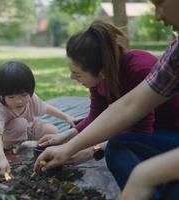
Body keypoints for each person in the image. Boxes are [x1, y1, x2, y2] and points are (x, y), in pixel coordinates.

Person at [34, 0, 179, 199]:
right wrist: (67, 140)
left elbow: (139, 128)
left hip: (168, 132)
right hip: (152, 138)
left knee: (116, 145)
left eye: (76, 74)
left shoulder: (140, 68)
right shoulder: (100, 79)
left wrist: (92, 149)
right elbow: (108, 112)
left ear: (101, 72)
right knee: (117, 147)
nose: (156, 15)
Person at [0, 61, 75, 175]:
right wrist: (1, 159)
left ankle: (44, 151)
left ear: (30, 91)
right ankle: (7, 150)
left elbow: (46, 108)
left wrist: (67, 117)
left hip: (28, 127)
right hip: (6, 136)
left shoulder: (31, 98)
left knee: (52, 131)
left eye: (23, 95)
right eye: (11, 97)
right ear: (0, 95)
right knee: (20, 123)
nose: (19, 101)